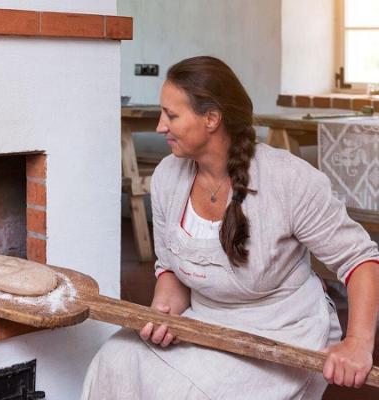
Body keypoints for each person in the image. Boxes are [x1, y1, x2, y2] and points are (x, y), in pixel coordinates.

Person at [81, 56, 379, 400]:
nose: (161, 126)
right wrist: (164, 314)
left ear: (211, 119)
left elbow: (360, 260)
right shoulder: (166, 177)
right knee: (114, 360)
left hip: (280, 332)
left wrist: (357, 342)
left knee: (187, 393)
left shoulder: (288, 179)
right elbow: (171, 270)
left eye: (172, 115)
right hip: (206, 323)